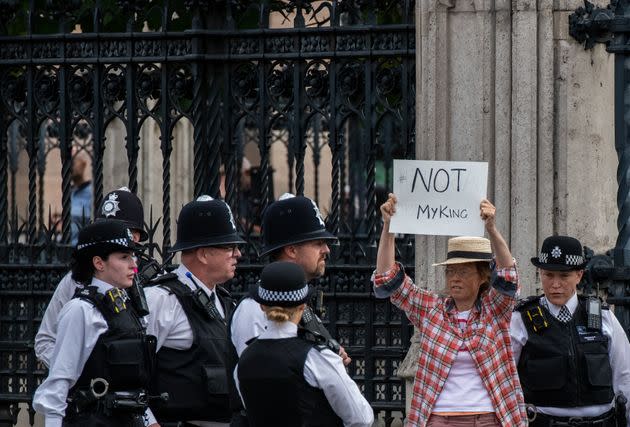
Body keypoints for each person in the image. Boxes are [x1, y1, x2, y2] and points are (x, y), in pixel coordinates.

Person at [372, 194, 526, 427]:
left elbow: (508, 276)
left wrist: (492, 229)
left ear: (482, 277)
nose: (454, 278)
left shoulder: (495, 310)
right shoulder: (432, 310)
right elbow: (388, 280)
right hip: (438, 418)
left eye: (463, 272)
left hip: (487, 418)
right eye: (450, 272)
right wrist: (389, 227)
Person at [227, 193, 349, 426]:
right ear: (292, 250)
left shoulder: (302, 303)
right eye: (317, 243)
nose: (327, 250)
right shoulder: (254, 309)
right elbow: (260, 391)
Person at [32, 220, 158, 427]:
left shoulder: (129, 308)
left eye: (133, 256)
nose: (134, 264)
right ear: (99, 263)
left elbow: (131, 383)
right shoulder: (81, 310)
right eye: (124, 257)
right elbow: (59, 384)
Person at [144, 195, 245, 427]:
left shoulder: (224, 300)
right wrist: (149, 423)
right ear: (203, 254)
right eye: (229, 247)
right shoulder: (161, 299)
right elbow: (132, 374)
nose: (237, 254)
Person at [235, 261, 374, 427]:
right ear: (303, 306)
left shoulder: (244, 360)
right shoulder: (316, 358)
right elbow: (361, 418)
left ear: (262, 306)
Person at [511, 235, 630, 426]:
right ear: (540, 273)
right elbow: (506, 378)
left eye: (564, 276)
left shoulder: (603, 317)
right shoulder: (522, 319)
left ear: (579, 275)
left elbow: (624, 376)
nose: (555, 284)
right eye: (548, 275)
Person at [35, 187, 150, 368]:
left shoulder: (154, 283)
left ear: (135, 237)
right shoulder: (75, 281)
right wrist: (79, 372)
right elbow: (45, 341)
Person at [70, 148, 93, 245]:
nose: (70, 165)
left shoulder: (91, 192)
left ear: (83, 164)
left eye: (73, 161)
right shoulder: (70, 192)